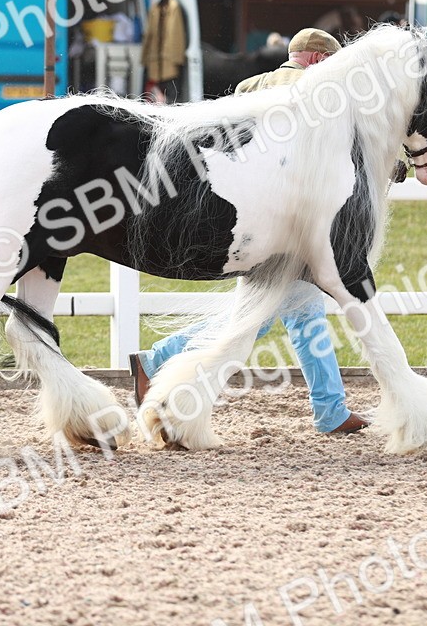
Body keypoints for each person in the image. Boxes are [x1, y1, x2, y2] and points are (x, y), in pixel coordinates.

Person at [129, 27, 368, 436]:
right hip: (296, 220)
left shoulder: (249, 86)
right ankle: (158, 359)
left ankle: (330, 407)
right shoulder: (322, 92)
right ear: (316, 60)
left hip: (252, 217)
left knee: (294, 310)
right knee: (262, 316)